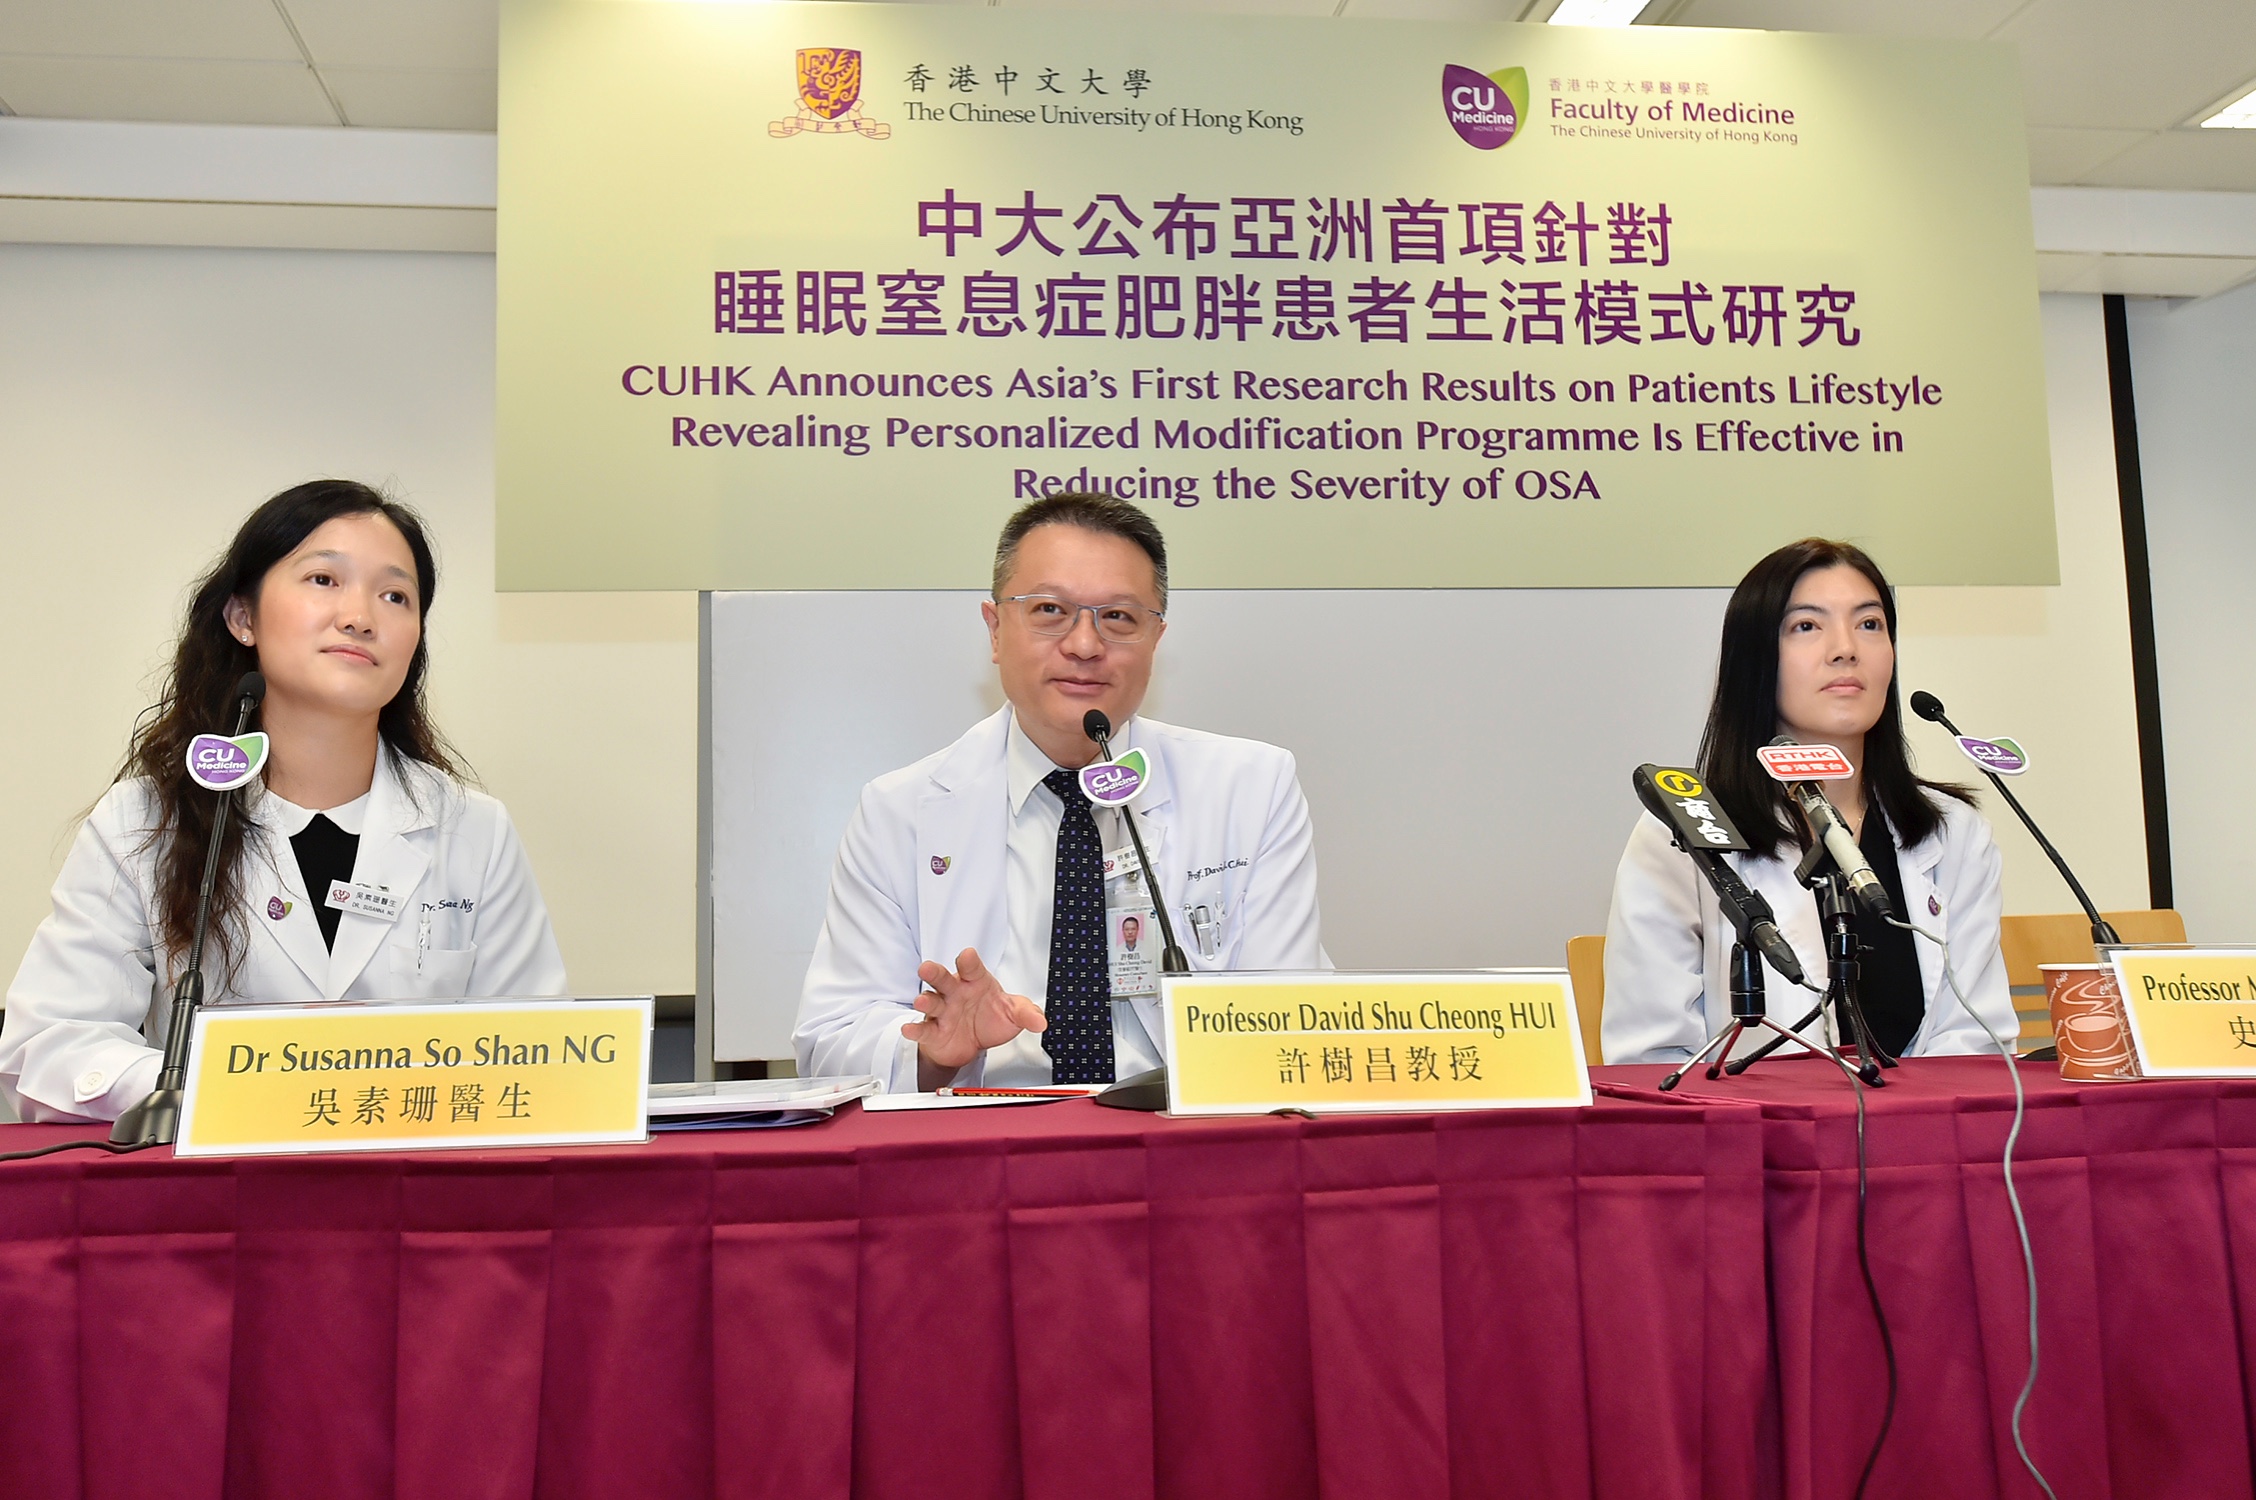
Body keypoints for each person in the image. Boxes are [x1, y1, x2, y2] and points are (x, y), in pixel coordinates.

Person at [0, 481, 567, 1123]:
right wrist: (236, 1085)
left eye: (395, 595)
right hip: (213, 1205)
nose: (360, 616)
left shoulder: (473, 830)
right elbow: (47, 1047)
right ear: (243, 618)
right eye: (324, 579)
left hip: (412, 1203)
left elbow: (536, 1058)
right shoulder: (144, 821)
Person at [795, 493, 1326, 1092]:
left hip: (1179, 1137)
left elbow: (1292, 1018)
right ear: (995, 631)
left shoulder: (1251, 788)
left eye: (1119, 617)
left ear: (1156, 639)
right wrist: (936, 1052)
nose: (1084, 645)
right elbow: (829, 1042)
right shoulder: (899, 812)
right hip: (985, 1145)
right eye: (1050, 609)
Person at [1602, 538, 2015, 1065]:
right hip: (1756, 1140)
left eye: (1869, 624)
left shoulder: (1952, 833)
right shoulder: (1681, 829)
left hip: (1922, 1139)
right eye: (1807, 626)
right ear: (1756, 661)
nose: (1846, 648)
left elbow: (1976, 1043)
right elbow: (1651, 1055)